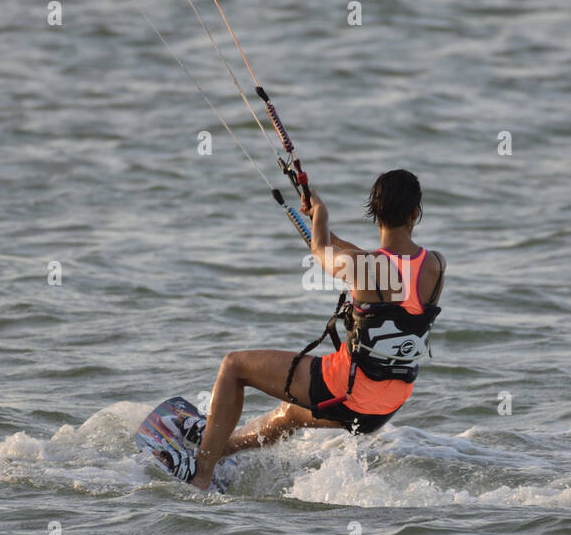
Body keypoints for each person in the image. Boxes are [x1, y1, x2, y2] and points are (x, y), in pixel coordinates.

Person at [163, 169, 446, 490]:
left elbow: (320, 254)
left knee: (234, 366)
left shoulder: (363, 267)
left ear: (374, 212)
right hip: (386, 404)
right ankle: (223, 449)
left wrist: (321, 216)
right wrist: (322, 230)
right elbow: (373, 259)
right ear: (415, 213)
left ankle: (201, 473)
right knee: (291, 413)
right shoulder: (436, 265)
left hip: (347, 390)